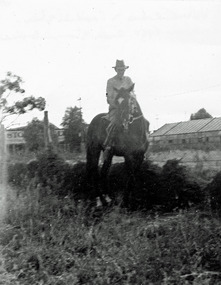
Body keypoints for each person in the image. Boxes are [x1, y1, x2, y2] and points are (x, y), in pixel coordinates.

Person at [104, 60, 135, 149]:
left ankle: (142, 146)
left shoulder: (128, 80)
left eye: (123, 69)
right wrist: (116, 105)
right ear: (116, 70)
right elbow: (109, 97)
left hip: (129, 107)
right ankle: (108, 145)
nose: (121, 71)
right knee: (114, 123)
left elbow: (133, 93)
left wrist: (133, 102)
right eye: (119, 69)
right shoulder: (110, 81)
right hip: (116, 108)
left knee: (142, 121)